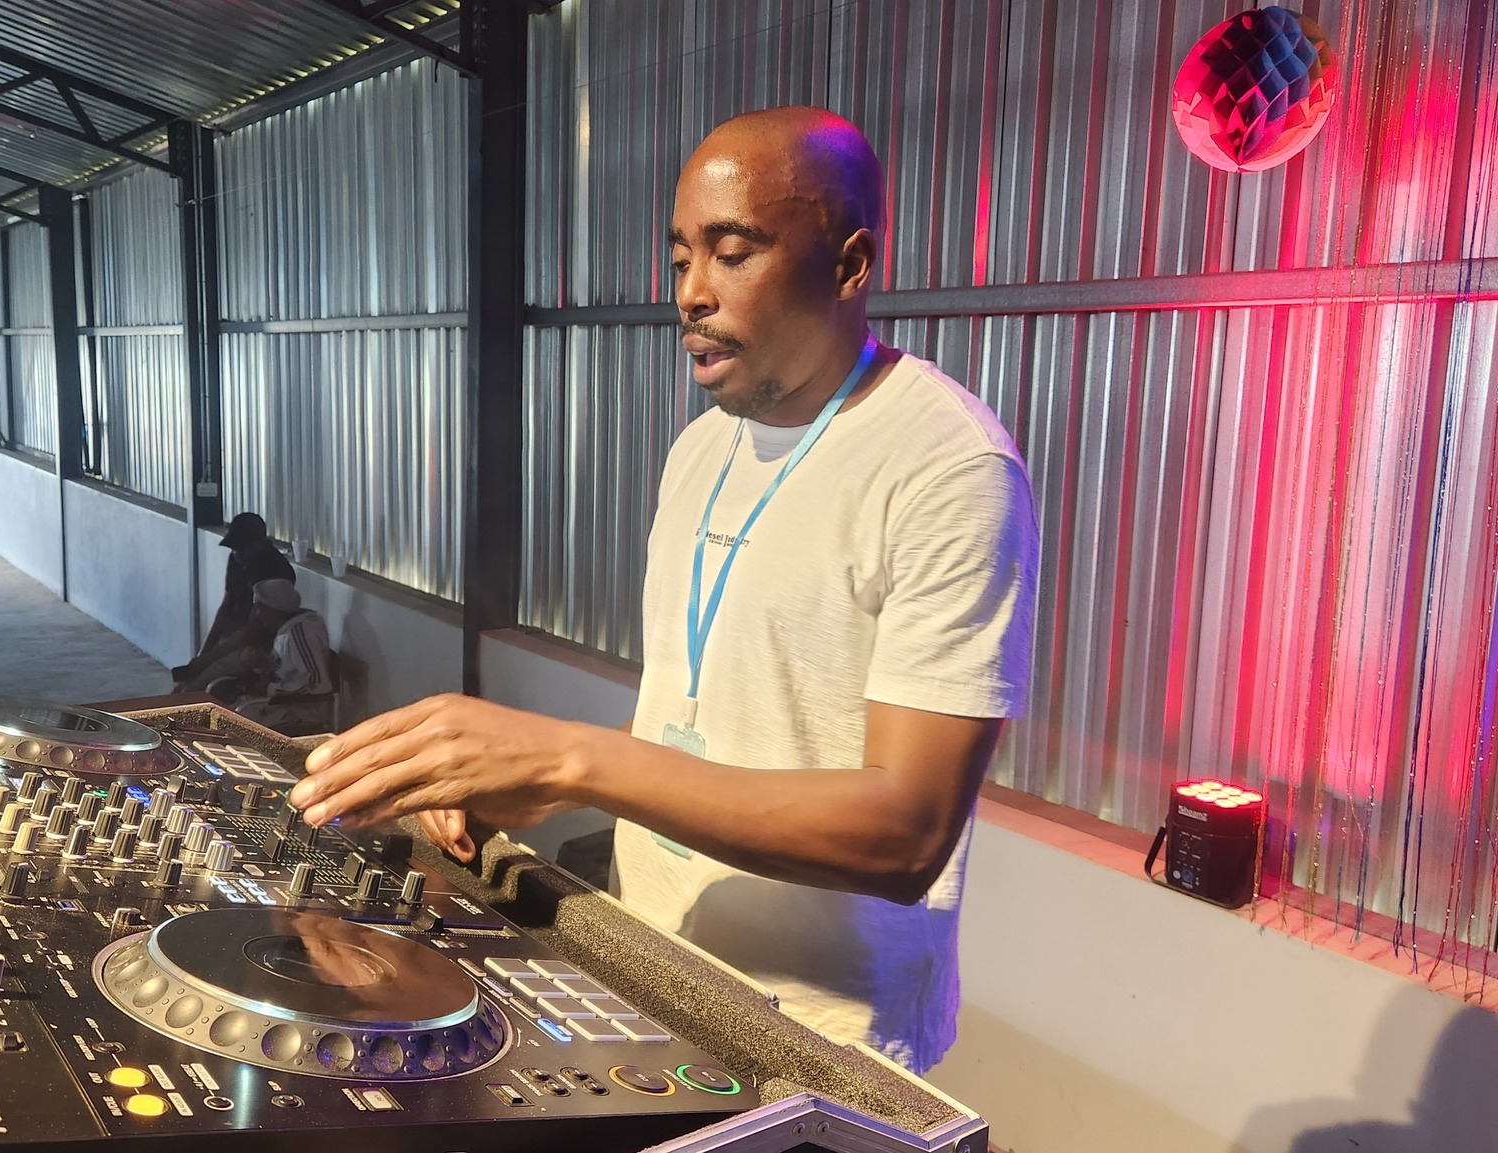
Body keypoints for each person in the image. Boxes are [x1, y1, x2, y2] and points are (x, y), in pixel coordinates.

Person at [287, 106, 1038, 1072]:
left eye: (733, 253)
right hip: (652, 963)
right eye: (681, 257)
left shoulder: (948, 468)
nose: (690, 292)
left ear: (850, 265)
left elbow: (906, 833)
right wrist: (512, 782)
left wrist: (567, 759)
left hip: (820, 1036)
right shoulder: (701, 447)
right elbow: (699, 723)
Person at [187, 578, 336, 734]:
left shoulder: (302, 632)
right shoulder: (286, 630)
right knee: (215, 706)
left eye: (259, 608)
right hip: (279, 701)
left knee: (234, 719)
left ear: (273, 610)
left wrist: (270, 688)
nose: (257, 614)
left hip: (302, 711)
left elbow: (317, 684)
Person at [174, 511, 295, 687]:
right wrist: (202, 655)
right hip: (231, 640)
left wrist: (207, 660)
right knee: (186, 682)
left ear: (260, 544)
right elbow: (224, 608)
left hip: (258, 647)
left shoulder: (276, 570)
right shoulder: (237, 559)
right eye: (233, 548)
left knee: (195, 687)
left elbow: (252, 629)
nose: (236, 553)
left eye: (241, 548)